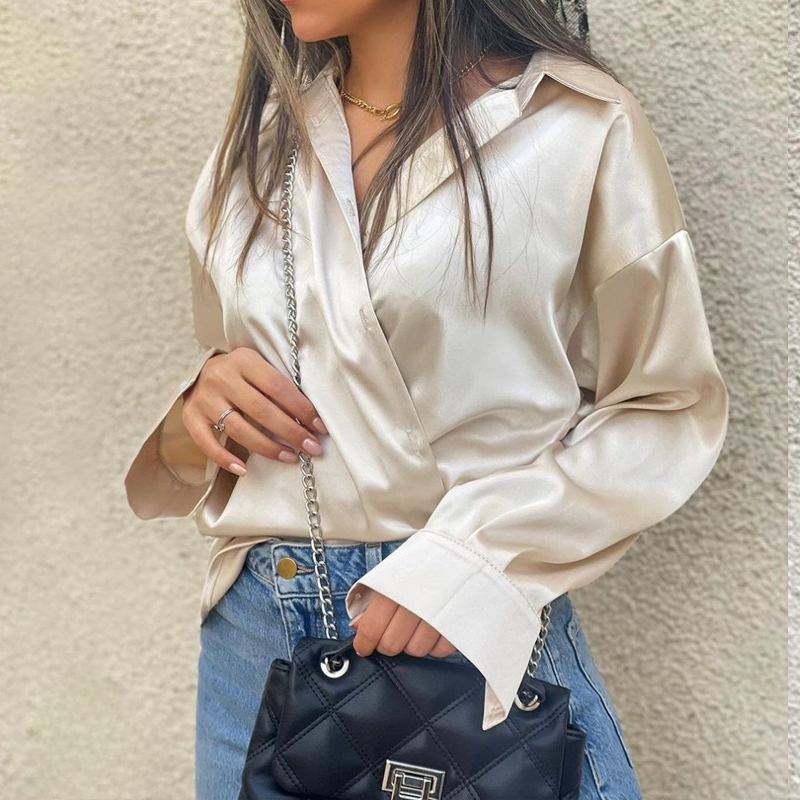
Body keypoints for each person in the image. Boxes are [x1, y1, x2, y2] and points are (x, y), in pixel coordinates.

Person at [123, 1, 729, 798]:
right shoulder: (260, 148)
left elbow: (666, 405)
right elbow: (239, 384)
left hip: (467, 630)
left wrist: (473, 563)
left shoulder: (575, 126)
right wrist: (197, 412)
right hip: (258, 637)